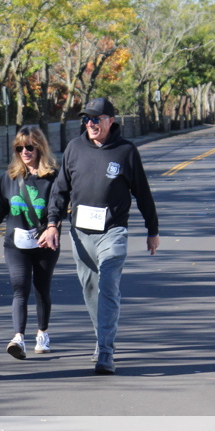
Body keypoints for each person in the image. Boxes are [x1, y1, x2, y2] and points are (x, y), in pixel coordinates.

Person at [39, 98, 159, 375]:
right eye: (87, 119)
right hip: (81, 233)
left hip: (113, 231)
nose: (91, 124)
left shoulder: (126, 151)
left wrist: (152, 230)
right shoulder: (74, 148)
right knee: (91, 290)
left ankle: (106, 351)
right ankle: (101, 338)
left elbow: (142, 192)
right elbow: (60, 191)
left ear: (110, 121)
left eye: (96, 119)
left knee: (107, 286)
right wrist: (52, 224)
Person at [0, 126, 61, 360]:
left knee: (41, 288)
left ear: (40, 148)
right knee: (20, 288)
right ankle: (18, 338)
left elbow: (59, 208)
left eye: (29, 147)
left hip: (44, 243)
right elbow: (0, 207)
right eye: (19, 148)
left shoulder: (53, 177)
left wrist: (52, 229)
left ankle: (42, 333)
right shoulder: (10, 177)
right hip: (15, 243)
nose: (24, 152)